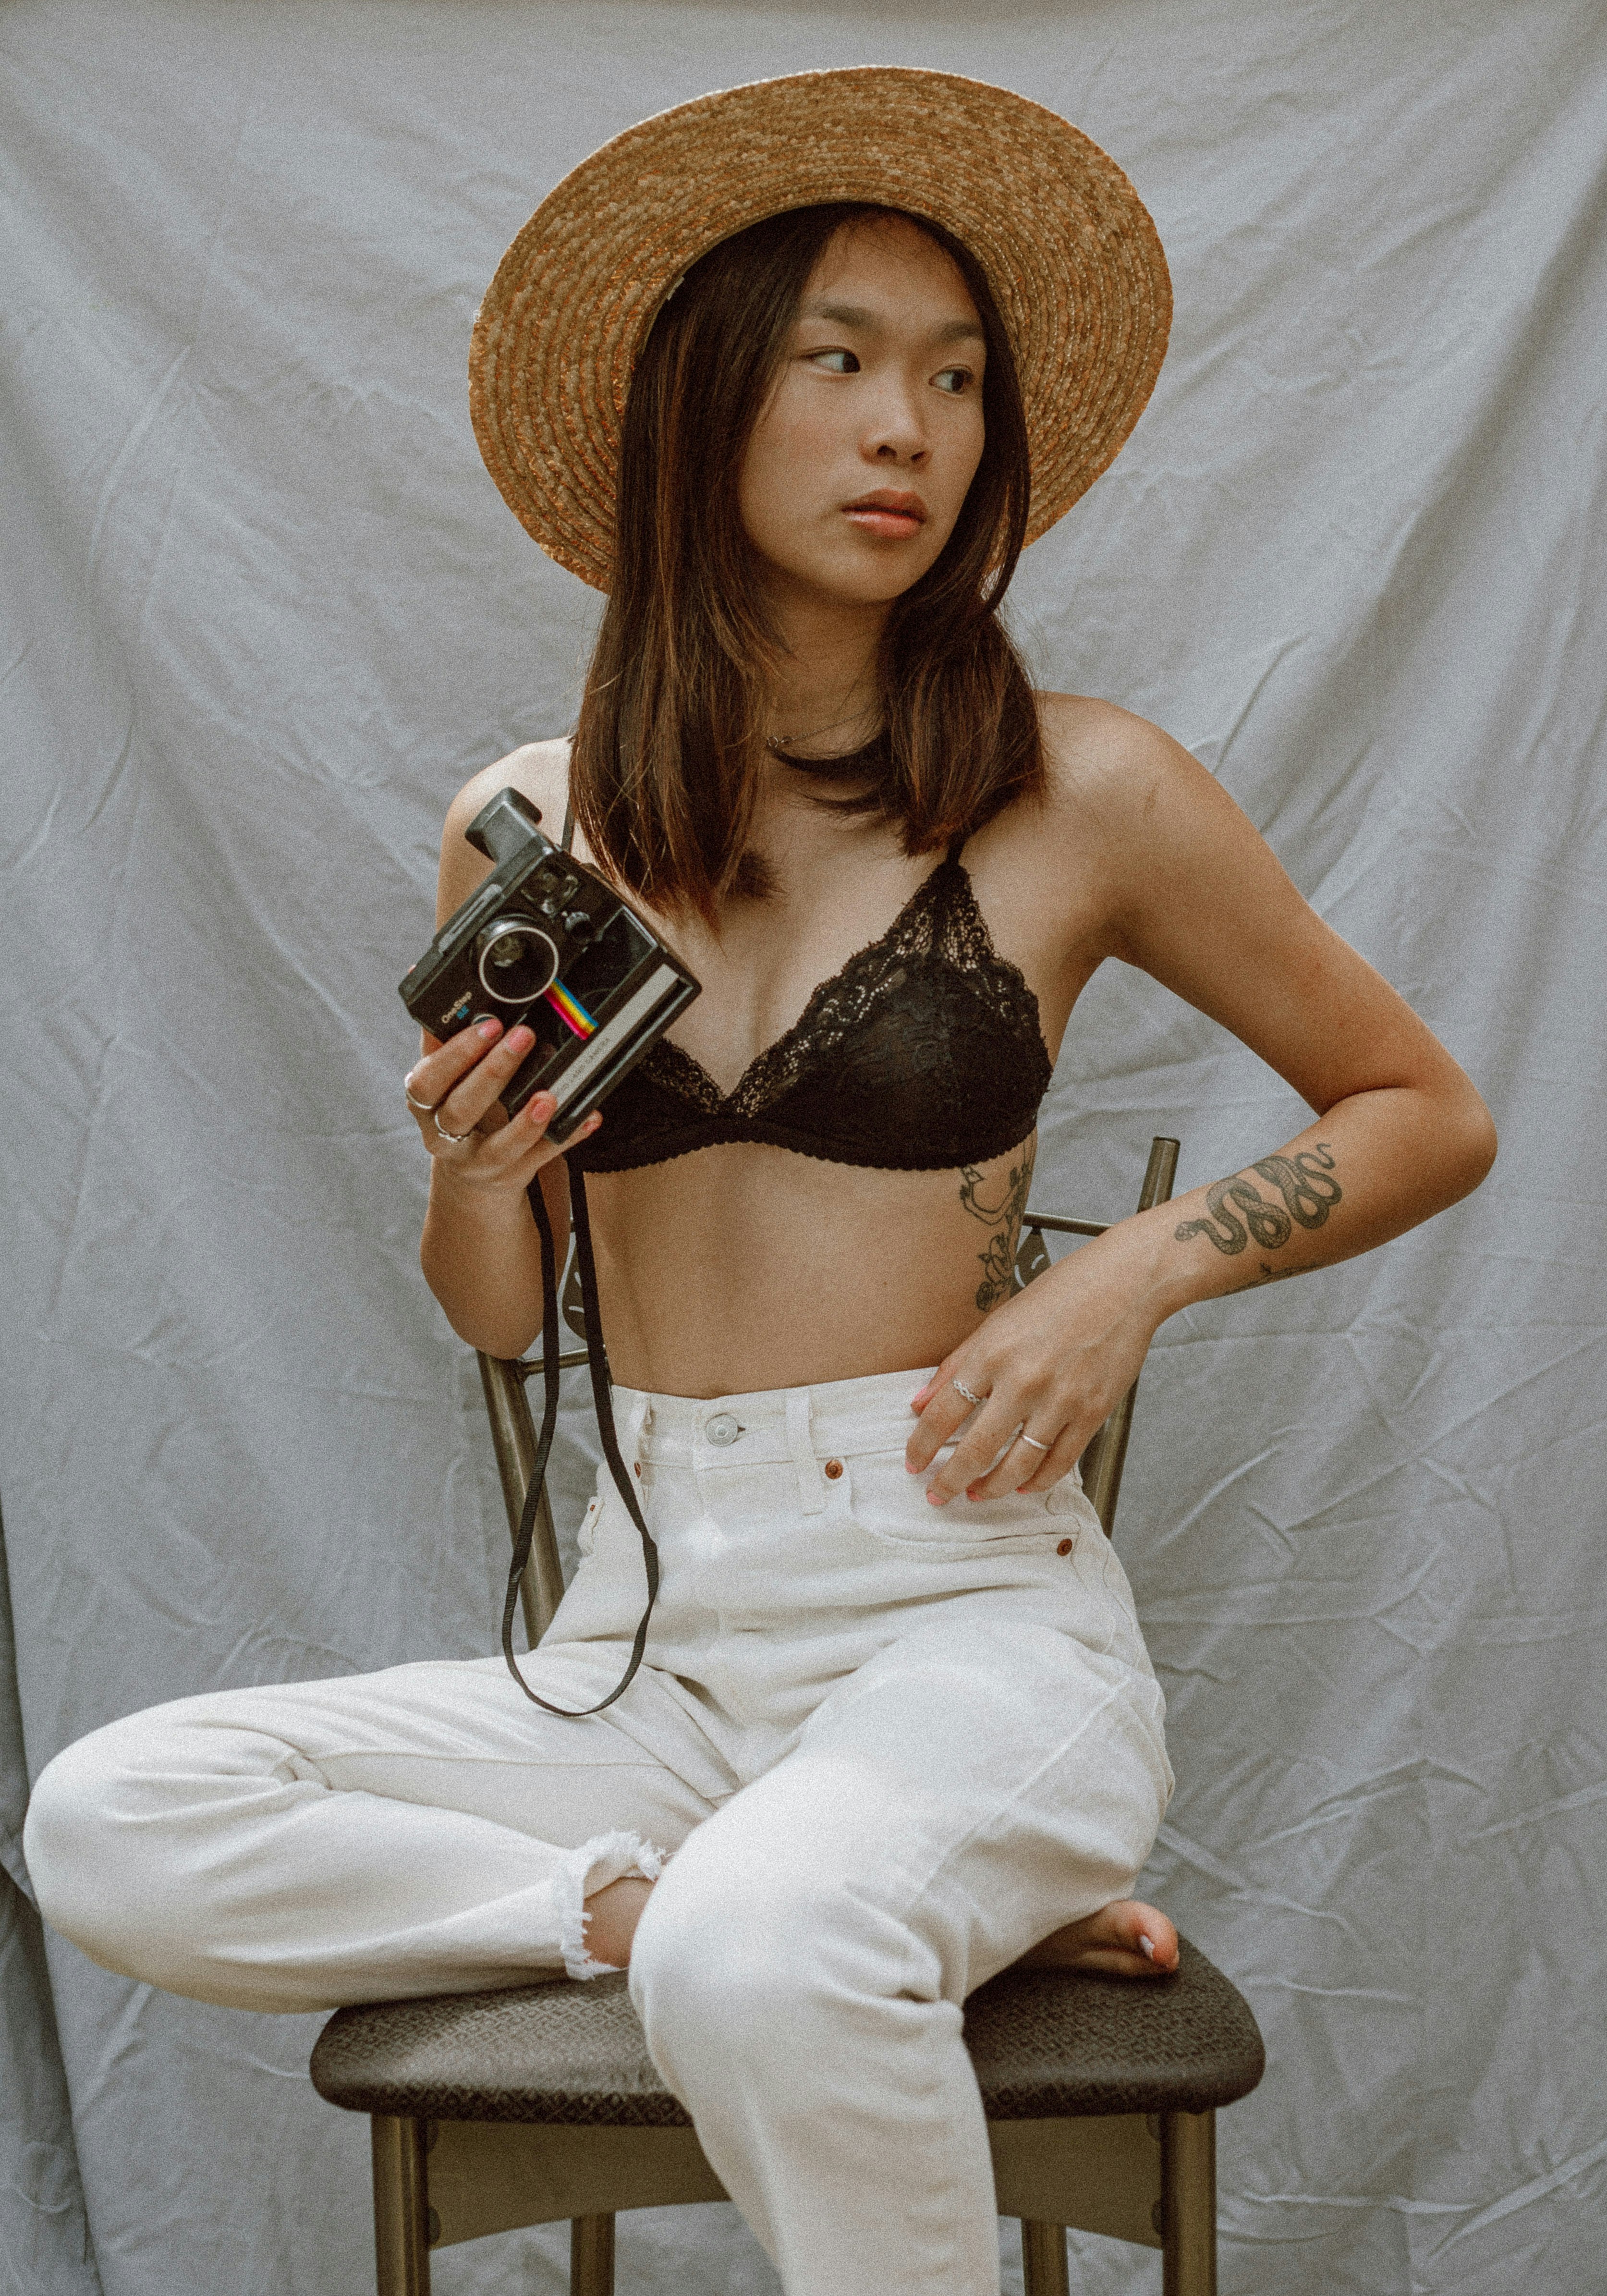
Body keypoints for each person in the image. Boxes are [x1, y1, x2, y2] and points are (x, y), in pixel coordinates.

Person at [24, 69, 1495, 2296]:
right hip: (640, 1650)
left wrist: (1131, 1282)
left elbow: (1419, 1105)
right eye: (836, 362)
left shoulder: (1087, 790)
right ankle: (713, 1901)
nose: (908, 428)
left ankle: (813, 1893)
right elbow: (507, 1323)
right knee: (100, 1820)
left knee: (772, 1942)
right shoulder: (528, 827)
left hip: (965, 1609)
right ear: (707, 410)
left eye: (955, 376)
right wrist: (473, 1173)